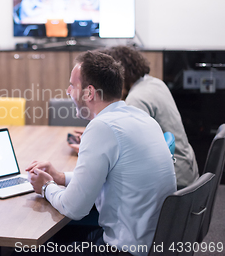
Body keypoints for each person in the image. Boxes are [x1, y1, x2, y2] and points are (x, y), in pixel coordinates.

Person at [27, 51, 176, 256]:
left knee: (25, 251)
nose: (68, 91)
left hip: (123, 249)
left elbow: (74, 209)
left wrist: (45, 187)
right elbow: (110, 177)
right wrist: (61, 177)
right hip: (154, 242)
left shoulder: (102, 127)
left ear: (89, 93)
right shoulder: (142, 118)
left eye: (72, 85)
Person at [101, 46, 199, 189]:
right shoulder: (155, 83)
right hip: (187, 169)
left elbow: (128, 156)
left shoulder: (136, 99)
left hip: (175, 182)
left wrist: (97, 150)